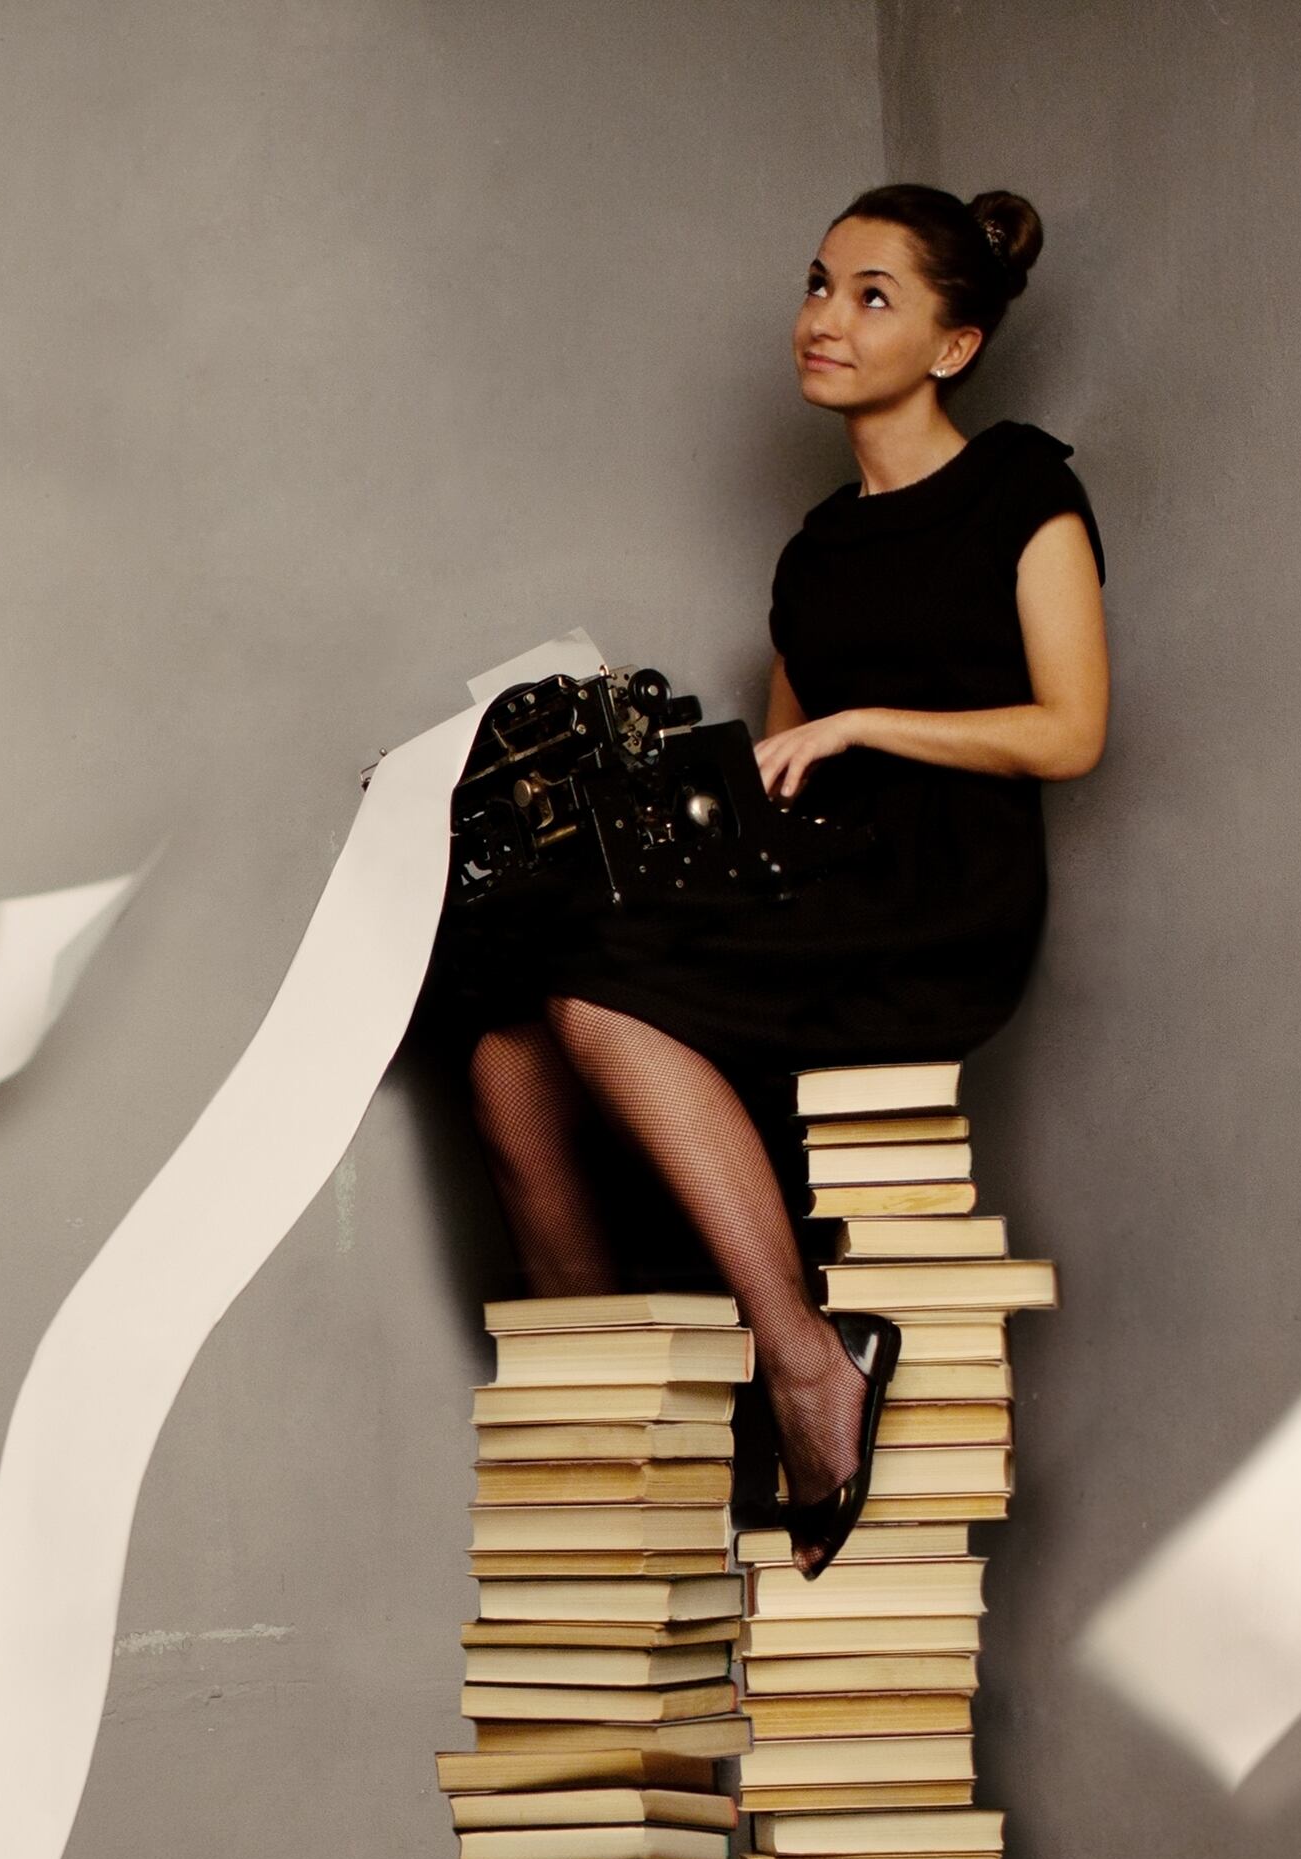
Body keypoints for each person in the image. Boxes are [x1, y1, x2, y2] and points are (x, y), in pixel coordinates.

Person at [440, 185, 1108, 1572]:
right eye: (818, 284)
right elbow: (776, 773)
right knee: (503, 1029)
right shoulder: (812, 554)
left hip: (940, 890)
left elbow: (1072, 732)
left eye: (873, 296)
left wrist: (870, 726)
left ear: (953, 347)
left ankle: (808, 1364)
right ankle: (613, 1428)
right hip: (815, 871)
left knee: (596, 999)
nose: (824, 319)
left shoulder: (1022, 490)